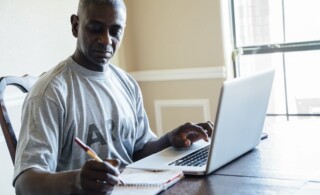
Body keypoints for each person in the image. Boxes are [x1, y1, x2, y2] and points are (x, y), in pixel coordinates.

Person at [13, 0, 214, 194]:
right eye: (95, 28)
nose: (106, 40)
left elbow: (137, 150)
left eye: (115, 31)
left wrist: (170, 139)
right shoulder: (49, 93)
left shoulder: (126, 83)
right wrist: (76, 182)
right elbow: (25, 184)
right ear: (75, 26)